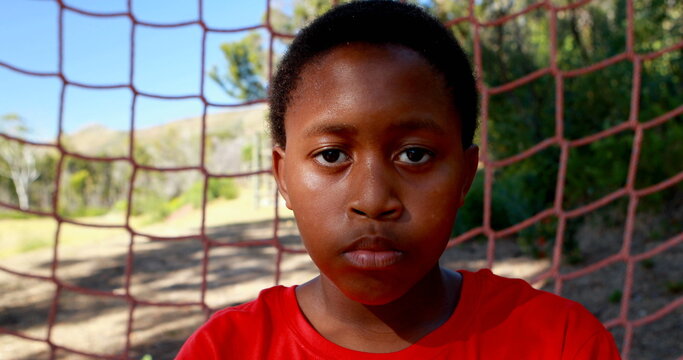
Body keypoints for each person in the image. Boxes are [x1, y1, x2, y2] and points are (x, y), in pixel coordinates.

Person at [177, 1, 621, 358]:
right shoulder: (224, 350)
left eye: (414, 154)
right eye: (332, 155)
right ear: (283, 177)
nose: (373, 200)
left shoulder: (561, 342)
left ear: (466, 175)